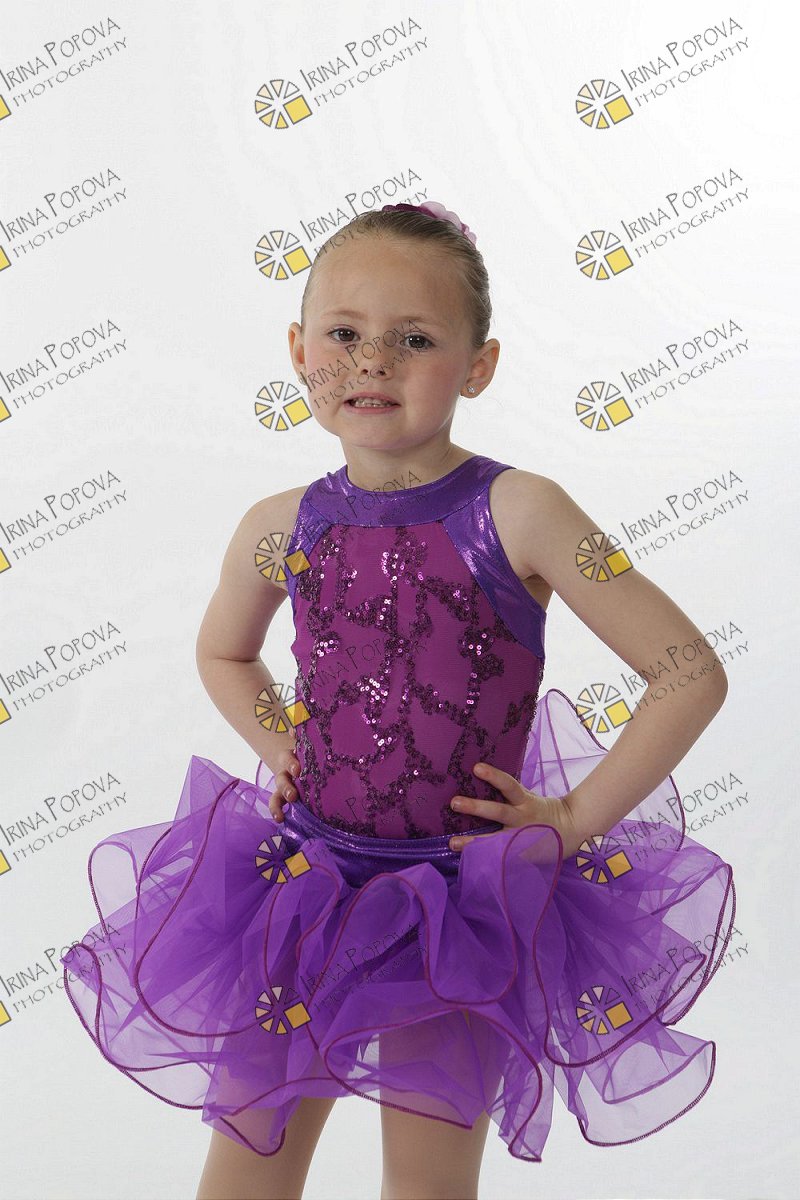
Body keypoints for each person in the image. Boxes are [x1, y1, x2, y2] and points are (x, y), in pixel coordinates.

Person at [60, 200, 736, 1200]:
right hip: (300, 891)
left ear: (478, 366)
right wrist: (284, 743)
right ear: (298, 350)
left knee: (426, 1184)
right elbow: (224, 652)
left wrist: (568, 819)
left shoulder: (525, 511)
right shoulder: (278, 526)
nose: (371, 360)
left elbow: (686, 669)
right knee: (246, 1165)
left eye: (414, 339)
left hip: (460, 908)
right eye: (343, 333)